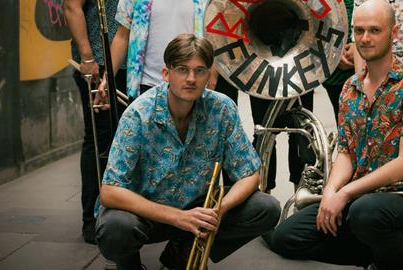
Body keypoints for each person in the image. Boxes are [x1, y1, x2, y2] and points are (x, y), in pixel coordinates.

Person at [266, 0, 403, 270]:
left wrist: (345, 194)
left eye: (374, 30)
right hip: (359, 200)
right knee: (286, 238)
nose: (365, 38)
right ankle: (376, 255)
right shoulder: (350, 88)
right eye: (359, 31)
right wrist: (330, 194)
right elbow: (345, 151)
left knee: (366, 213)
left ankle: (397, 264)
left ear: (394, 33)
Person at [95, 33, 281, 270]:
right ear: (166, 74)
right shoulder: (138, 114)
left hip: (198, 210)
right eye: (182, 69)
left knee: (267, 208)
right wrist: (176, 217)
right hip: (146, 214)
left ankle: (181, 251)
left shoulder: (222, 109)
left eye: (200, 70)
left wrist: (218, 210)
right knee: (115, 228)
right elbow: (110, 192)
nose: (191, 78)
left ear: (209, 75)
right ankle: (129, 263)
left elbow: (250, 175)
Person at [63, 0, 148, 244]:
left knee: (126, 143)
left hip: (131, 68)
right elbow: (71, 7)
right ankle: (90, 218)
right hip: (99, 67)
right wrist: (87, 58)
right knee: (98, 142)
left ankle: (122, 213)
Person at [239, 0, 327, 192]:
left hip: (300, 47)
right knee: (263, 128)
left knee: (300, 127)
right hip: (259, 45)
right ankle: (260, 190)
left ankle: (300, 190)